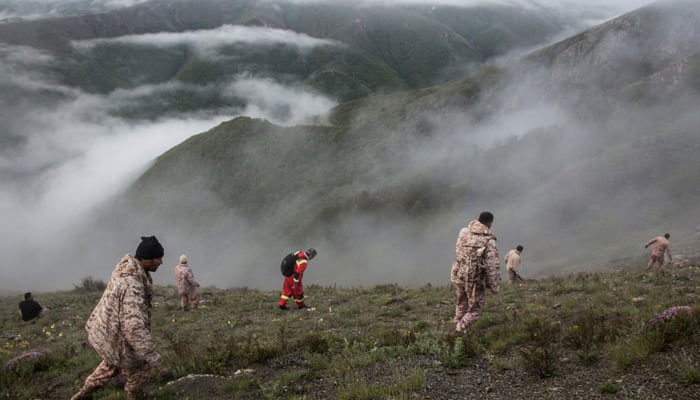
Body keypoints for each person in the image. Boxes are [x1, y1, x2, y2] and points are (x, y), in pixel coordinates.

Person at [71, 236, 164, 400]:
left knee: (110, 365)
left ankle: (84, 394)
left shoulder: (126, 268)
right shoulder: (132, 284)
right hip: (118, 336)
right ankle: (136, 396)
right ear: (146, 259)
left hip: (107, 330)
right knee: (139, 368)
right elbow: (133, 327)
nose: (161, 262)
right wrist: (152, 355)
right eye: (158, 257)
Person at [450, 212, 500, 333]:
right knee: (475, 310)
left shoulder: (463, 232)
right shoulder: (489, 240)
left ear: (478, 219)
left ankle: (458, 323)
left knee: (462, 302)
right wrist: (494, 286)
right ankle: (459, 331)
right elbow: (491, 266)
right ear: (490, 224)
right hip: (475, 279)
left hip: (459, 274)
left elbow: (458, 250)